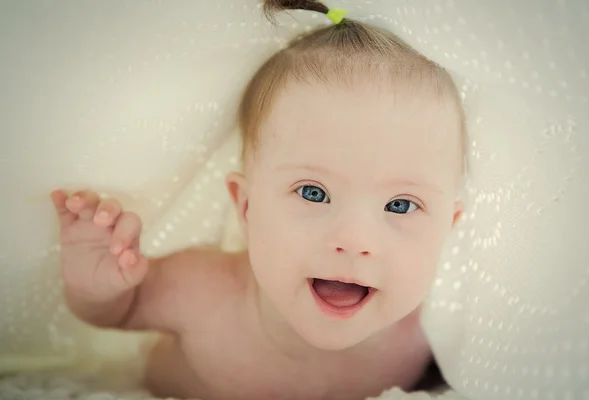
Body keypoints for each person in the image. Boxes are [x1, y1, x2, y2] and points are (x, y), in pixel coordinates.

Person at [50, 1, 466, 398]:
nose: (355, 240)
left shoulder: (432, 332)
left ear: (449, 226)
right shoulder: (203, 291)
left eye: (400, 205)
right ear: (246, 207)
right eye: (313, 193)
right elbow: (119, 312)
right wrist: (97, 287)